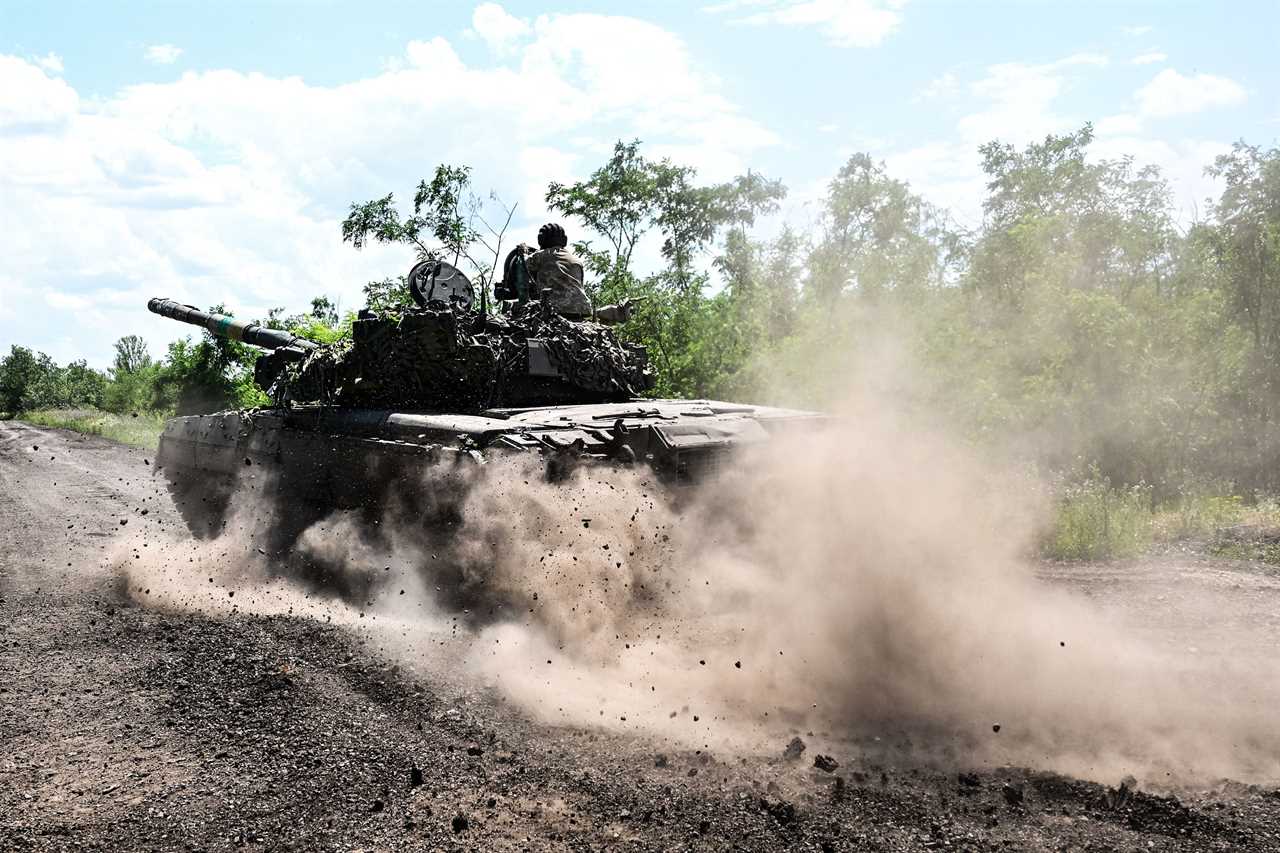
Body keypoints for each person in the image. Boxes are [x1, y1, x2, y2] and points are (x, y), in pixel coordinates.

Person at [523, 223, 633, 324]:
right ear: (564, 240)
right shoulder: (576, 260)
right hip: (582, 309)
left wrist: (523, 251)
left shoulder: (541, 256)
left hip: (556, 309)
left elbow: (523, 264)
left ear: (541, 240)